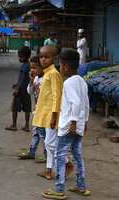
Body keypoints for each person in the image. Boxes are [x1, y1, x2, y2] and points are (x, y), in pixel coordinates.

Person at [42, 49, 91, 200]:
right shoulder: (81, 81)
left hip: (69, 126)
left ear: (66, 67)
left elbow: (76, 103)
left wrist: (73, 123)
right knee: (77, 155)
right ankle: (81, 186)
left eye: (60, 65)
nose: (59, 68)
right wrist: (85, 121)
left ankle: (59, 189)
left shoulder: (68, 83)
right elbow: (86, 104)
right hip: (78, 125)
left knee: (60, 155)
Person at [33, 46, 73, 180]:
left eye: (47, 57)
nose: (43, 59)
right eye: (41, 57)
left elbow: (57, 96)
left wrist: (54, 116)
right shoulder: (47, 73)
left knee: (50, 143)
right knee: (48, 143)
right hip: (45, 115)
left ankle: (67, 163)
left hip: (52, 115)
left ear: (54, 58)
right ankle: (49, 171)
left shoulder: (54, 74)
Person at [18, 55, 46, 162]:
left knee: (43, 134)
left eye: (34, 67)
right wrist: (31, 80)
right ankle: (32, 151)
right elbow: (29, 91)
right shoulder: (36, 79)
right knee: (35, 132)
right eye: (31, 68)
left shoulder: (46, 79)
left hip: (43, 112)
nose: (32, 70)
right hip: (37, 111)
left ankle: (46, 155)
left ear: (42, 67)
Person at [5, 46, 31, 132]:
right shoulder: (28, 65)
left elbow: (22, 78)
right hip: (26, 89)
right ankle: (27, 125)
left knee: (15, 107)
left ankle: (14, 125)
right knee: (27, 107)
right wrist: (16, 84)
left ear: (24, 56)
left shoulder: (24, 66)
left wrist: (17, 88)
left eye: (20, 56)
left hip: (21, 90)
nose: (19, 58)